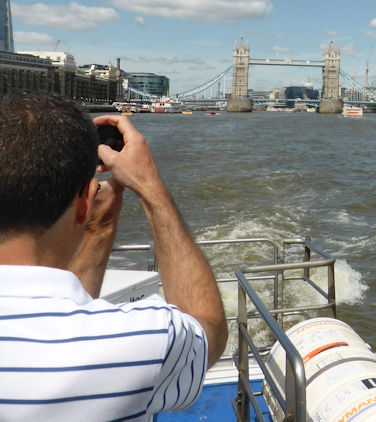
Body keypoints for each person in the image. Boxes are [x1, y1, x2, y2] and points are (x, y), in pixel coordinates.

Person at [0, 92, 228, 420]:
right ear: (85, 203)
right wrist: (150, 187)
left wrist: (100, 227)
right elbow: (208, 329)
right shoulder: (138, 342)